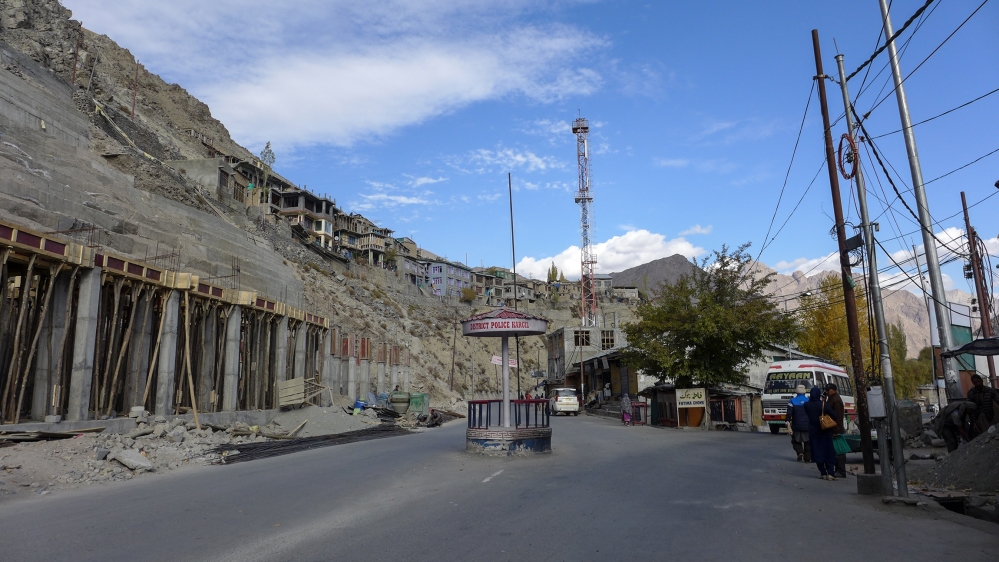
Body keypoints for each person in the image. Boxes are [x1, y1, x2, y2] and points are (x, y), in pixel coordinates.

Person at [803, 386, 837, 480]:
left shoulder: (806, 405)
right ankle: (830, 473)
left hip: (813, 432)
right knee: (828, 452)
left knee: (817, 452)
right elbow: (834, 416)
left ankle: (822, 472)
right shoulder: (823, 404)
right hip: (825, 432)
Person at [824, 383, 847, 478]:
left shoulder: (836, 400)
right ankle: (838, 469)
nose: (826, 392)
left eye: (828, 390)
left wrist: (836, 431)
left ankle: (841, 470)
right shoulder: (831, 398)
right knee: (834, 450)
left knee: (839, 451)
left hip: (836, 429)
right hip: (833, 428)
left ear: (833, 390)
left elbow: (838, 417)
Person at [785, 385, 811, 462]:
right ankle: (807, 458)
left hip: (796, 425)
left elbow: (789, 414)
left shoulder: (792, 401)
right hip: (807, 425)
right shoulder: (809, 401)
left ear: (796, 391)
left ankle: (800, 452)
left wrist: (787, 422)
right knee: (808, 442)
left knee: (795, 440)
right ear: (805, 391)